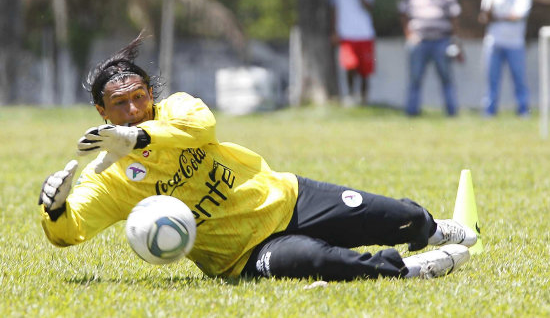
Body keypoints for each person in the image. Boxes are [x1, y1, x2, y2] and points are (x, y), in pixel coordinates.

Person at [38, 34, 477, 281]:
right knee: (319, 262)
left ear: (151, 94)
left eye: (139, 97)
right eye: (120, 105)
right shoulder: (110, 178)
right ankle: (407, 270)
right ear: (101, 111)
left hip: (289, 197)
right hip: (244, 256)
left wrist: (137, 137)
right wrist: (54, 210)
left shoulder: (177, 109)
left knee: (397, 215)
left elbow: (200, 128)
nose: (133, 109)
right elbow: (70, 231)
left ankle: (434, 229)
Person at [398, 0, 462, 117]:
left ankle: (451, 111)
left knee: (446, 78)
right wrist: (409, 35)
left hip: (441, 41)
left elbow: (454, 18)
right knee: (415, 78)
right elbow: (403, 14)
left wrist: (455, 40)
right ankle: (412, 112)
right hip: (419, 41)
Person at [478, 0, 532, 117]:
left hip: (515, 43)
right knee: (492, 79)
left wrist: (498, 17)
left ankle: (523, 110)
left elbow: (518, 16)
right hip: (494, 42)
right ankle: (489, 111)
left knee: (519, 79)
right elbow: (485, 17)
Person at [330, 0, 376, 106]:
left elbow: (369, 6)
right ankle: (350, 96)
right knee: (350, 66)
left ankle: (364, 99)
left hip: (365, 34)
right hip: (347, 34)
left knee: (365, 71)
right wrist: (334, 31)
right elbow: (334, 10)